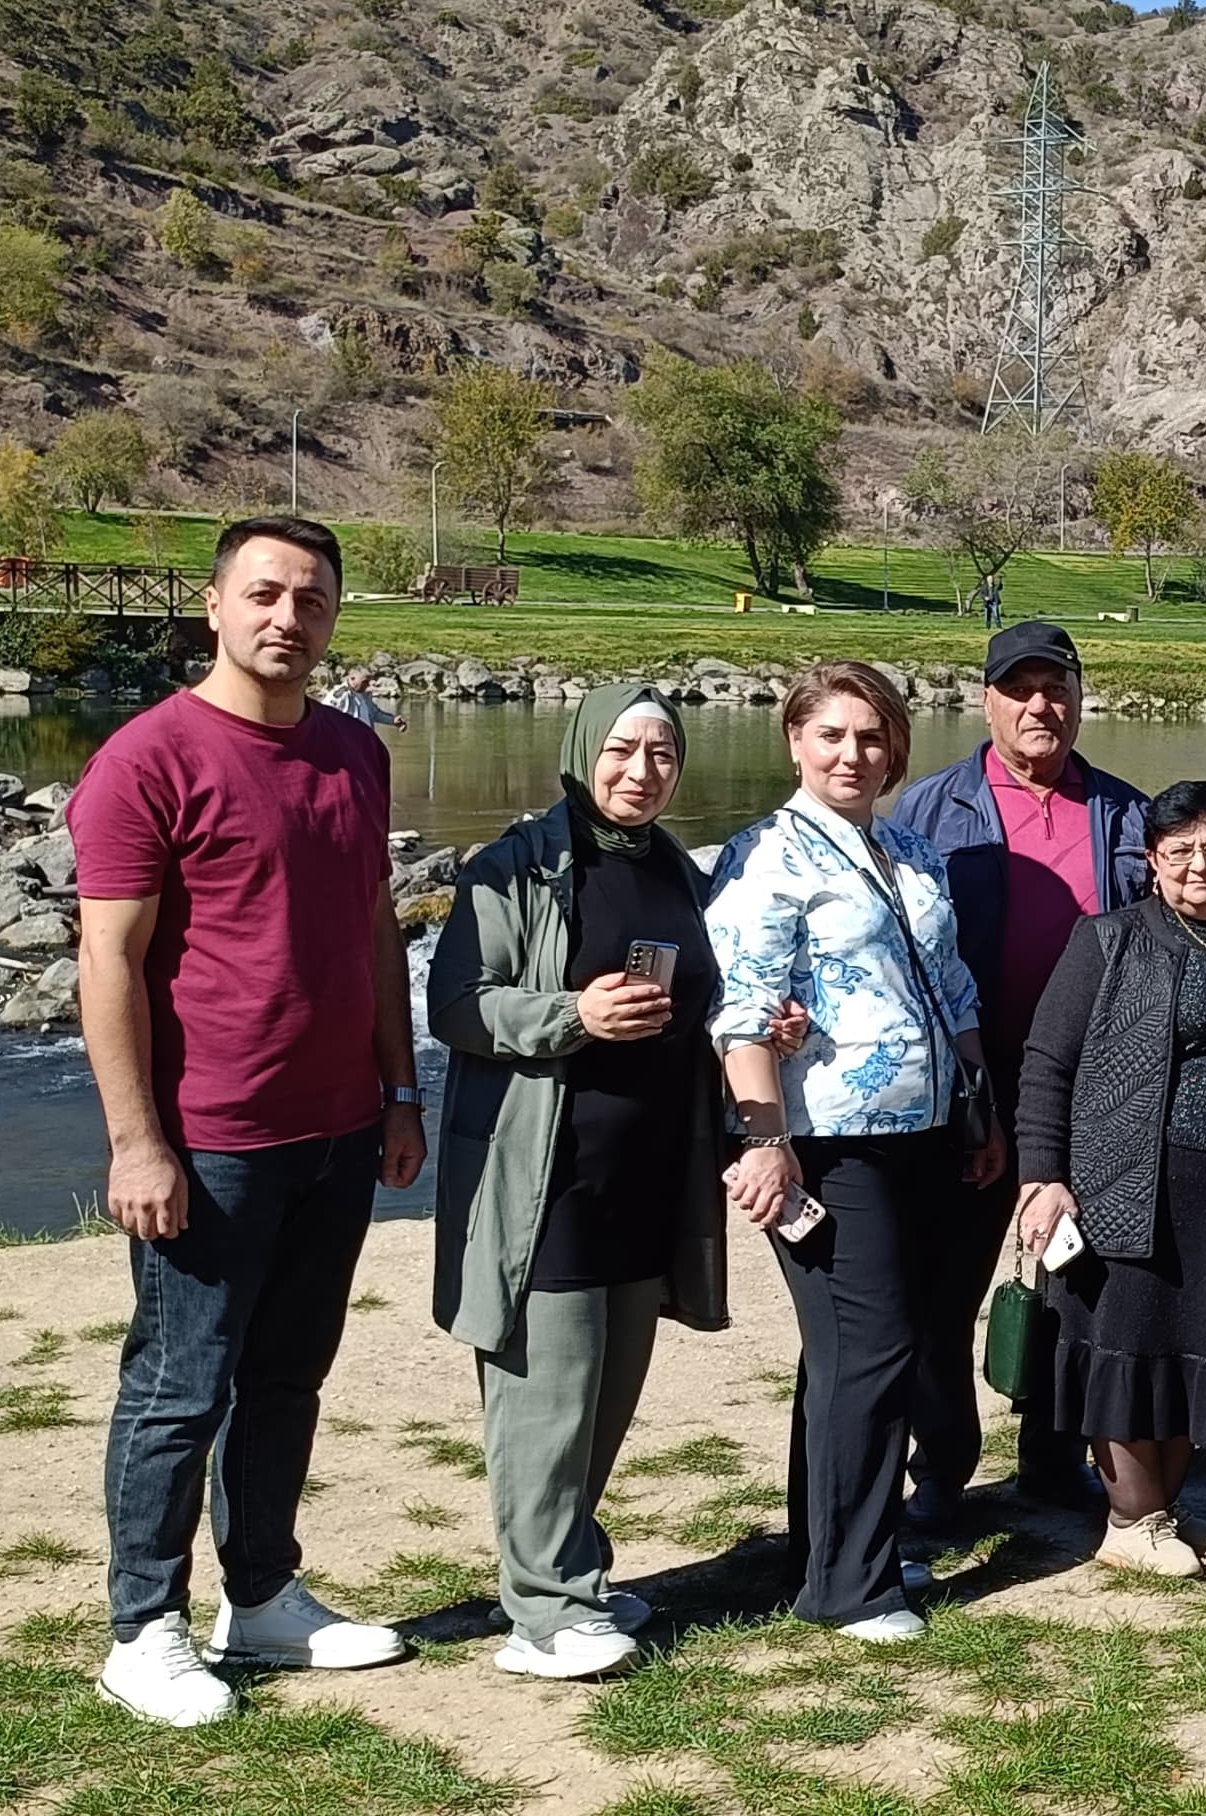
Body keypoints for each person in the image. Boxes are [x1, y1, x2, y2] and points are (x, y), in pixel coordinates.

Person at [73, 516, 422, 1728]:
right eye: (264, 593)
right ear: (213, 604)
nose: (288, 617)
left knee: (287, 1375)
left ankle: (262, 1594)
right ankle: (141, 1625)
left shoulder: (351, 754)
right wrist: (136, 1139)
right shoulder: (148, 756)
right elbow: (107, 960)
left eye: (313, 599)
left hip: (333, 1128)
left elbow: (373, 925)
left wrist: (398, 1087)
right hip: (210, 1135)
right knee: (181, 1381)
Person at [422, 686, 732, 1681]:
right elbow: (458, 1004)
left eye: (662, 752)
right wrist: (572, 1014)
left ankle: (570, 1566)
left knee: (606, 1394)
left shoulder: (677, 871)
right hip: (540, 1172)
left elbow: (704, 1002)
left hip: (644, 1174)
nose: (642, 770)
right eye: (622, 748)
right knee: (544, 1397)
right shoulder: (514, 865)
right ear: (580, 749)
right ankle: (542, 1613)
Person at [705, 661, 1002, 1643]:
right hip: (828, 1146)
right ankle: (852, 1584)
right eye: (831, 734)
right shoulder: (766, 859)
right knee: (867, 1353)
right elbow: (740, 1010)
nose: (851, 753)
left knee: (861, 1355)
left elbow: (953, 990)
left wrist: (979, 1105)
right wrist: (764, 1138)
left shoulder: (908, 847)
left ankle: (834, 1544)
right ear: (794, 740)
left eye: (871, 737)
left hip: (923, 1133)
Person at [880, 621, 1153, 1515]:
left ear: (1078, 696)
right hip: (972, 1084)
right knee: (945, 1286)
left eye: (1058, 687)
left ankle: (1051, 1456)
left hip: (1093, 1086)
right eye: (1021, 689)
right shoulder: (925, 813)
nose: (1042, 705)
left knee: (1079, 1282)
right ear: (987, 699)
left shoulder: (1126, 812)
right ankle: (944, 1466)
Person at [1011, 781, 1206, 1578]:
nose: (1199, 866)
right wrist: (1043, 1174)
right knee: (1130, 1345)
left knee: (1202, 1346)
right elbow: (1048, 1063)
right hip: (1131, 1182)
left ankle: (1164, 1511)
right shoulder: (1107, 940)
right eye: (1179, 851)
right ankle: (1128, 1522)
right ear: (1151, 859)